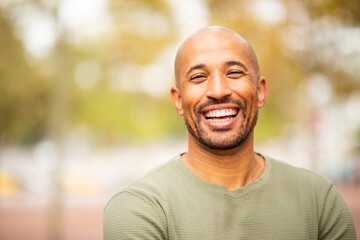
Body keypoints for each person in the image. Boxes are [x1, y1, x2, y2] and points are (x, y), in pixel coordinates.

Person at [103, 26, 357, 239]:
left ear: (260, 91)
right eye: (199, 77)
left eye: (234, 73)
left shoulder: (319, 200)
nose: (218, 90)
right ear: (178, 100)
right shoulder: (140, 207)